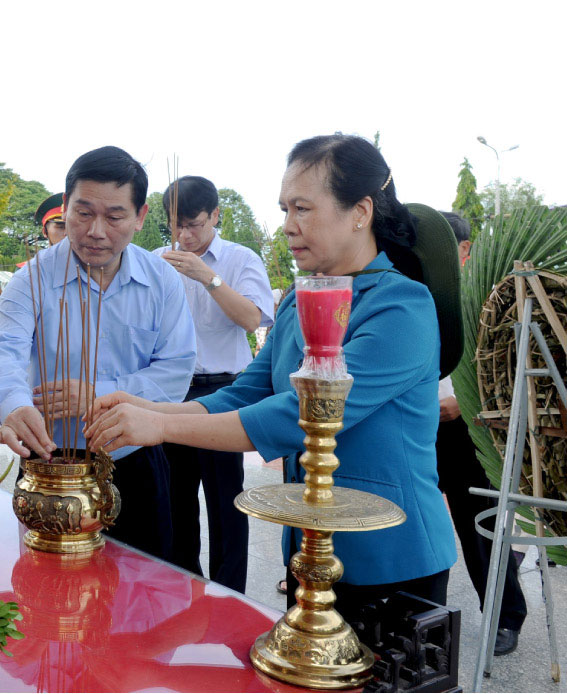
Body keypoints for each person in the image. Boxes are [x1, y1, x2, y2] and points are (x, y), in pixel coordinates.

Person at [85, 134, 458, 624]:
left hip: (389, 556)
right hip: (308, 546)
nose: (287, 227)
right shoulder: (301, 303)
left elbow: (302, 414)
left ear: (360, 211)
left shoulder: (401, 307)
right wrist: (142, 408)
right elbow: (242, 394)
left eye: (302, 209)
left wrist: (159, 427)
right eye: (284, 209)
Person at [0, 145, 196, 561]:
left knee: (145, 590)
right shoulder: (32, 279)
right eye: (83, 213)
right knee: (52, 593)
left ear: (140, 217)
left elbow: (175, 371)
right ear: (64, 206)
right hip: (50, 468)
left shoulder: (162, 282)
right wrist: (13, 404)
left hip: (134, 462)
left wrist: (99, 396)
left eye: (114, 216)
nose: (96, 230)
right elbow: (2, 348)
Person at [153, 175, 274, 592]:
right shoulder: (157, 261)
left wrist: (209, 277)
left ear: (216, 216)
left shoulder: (240, 259)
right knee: (176, 499)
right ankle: (185, 588)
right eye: (177, 226)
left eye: (195, 224)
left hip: (226, 390)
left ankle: (229, 595)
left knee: (226, 501)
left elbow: (252, 319)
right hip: (172, 394)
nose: (185, 236)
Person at [437, 211, 526, 656]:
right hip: (417, 423)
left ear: (466, 250)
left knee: (478, 528)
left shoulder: (491, 296)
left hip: (467, 427)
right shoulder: (421, 292)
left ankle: (507, 615)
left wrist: (466, 404)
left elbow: (511, 373)